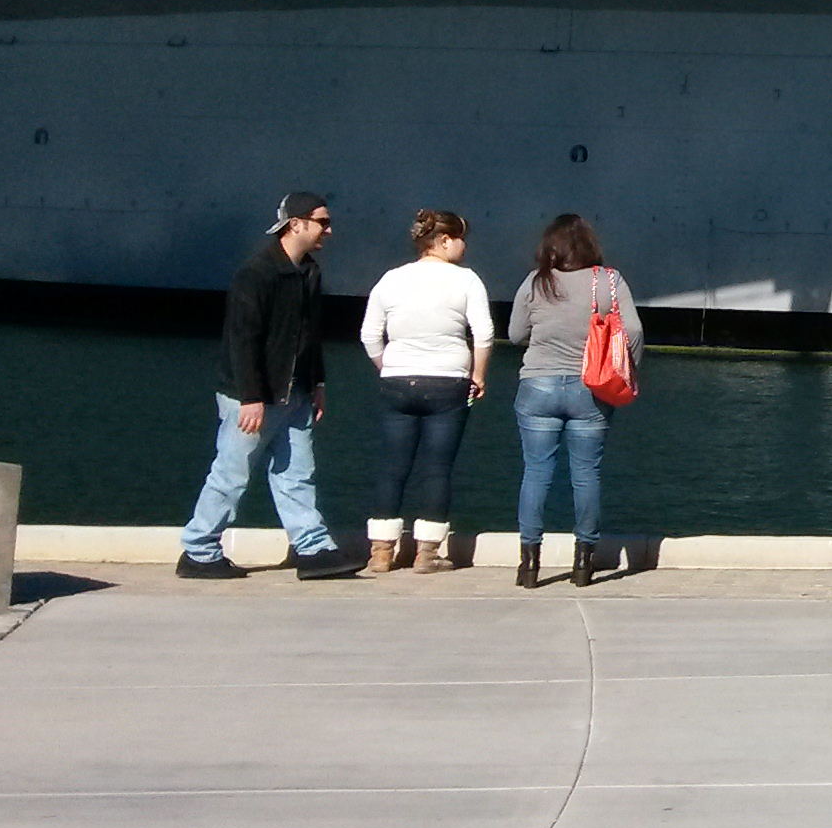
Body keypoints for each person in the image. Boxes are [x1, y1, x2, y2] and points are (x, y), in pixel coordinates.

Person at [176, 192, 359, 579]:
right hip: (254, 398)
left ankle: (312, 549)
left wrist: (318, 383)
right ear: (297, 224)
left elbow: (310, 334)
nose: (329, 230)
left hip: (296, 394)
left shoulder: (309, 272)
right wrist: (251, 397)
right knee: (231, 474)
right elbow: (242, 340)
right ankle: (198, 550)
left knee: (297, 475)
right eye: (322, 222)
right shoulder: (256, 274)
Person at [506, 213, 639, 589]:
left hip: (538, 386)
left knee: (536, 473)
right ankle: (584, 564)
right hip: (590, 390)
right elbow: (634, 329)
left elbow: (516, 335)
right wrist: (628, 369)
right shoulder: (608, 281)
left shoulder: (536, 282)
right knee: (586, 476)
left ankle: (529, 565)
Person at [359, 209, 493, 573]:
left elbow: (369, 335)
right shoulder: (466, 281)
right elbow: (483, 333)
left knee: (392, 466)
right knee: (437, 468)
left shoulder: (390, 279)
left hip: (397, 381)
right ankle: (427, 553)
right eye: (462, 238)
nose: (465, 246)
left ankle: (381, 553)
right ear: (445, 240)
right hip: (449, 383)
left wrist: (388, 366)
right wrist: (477, 375)